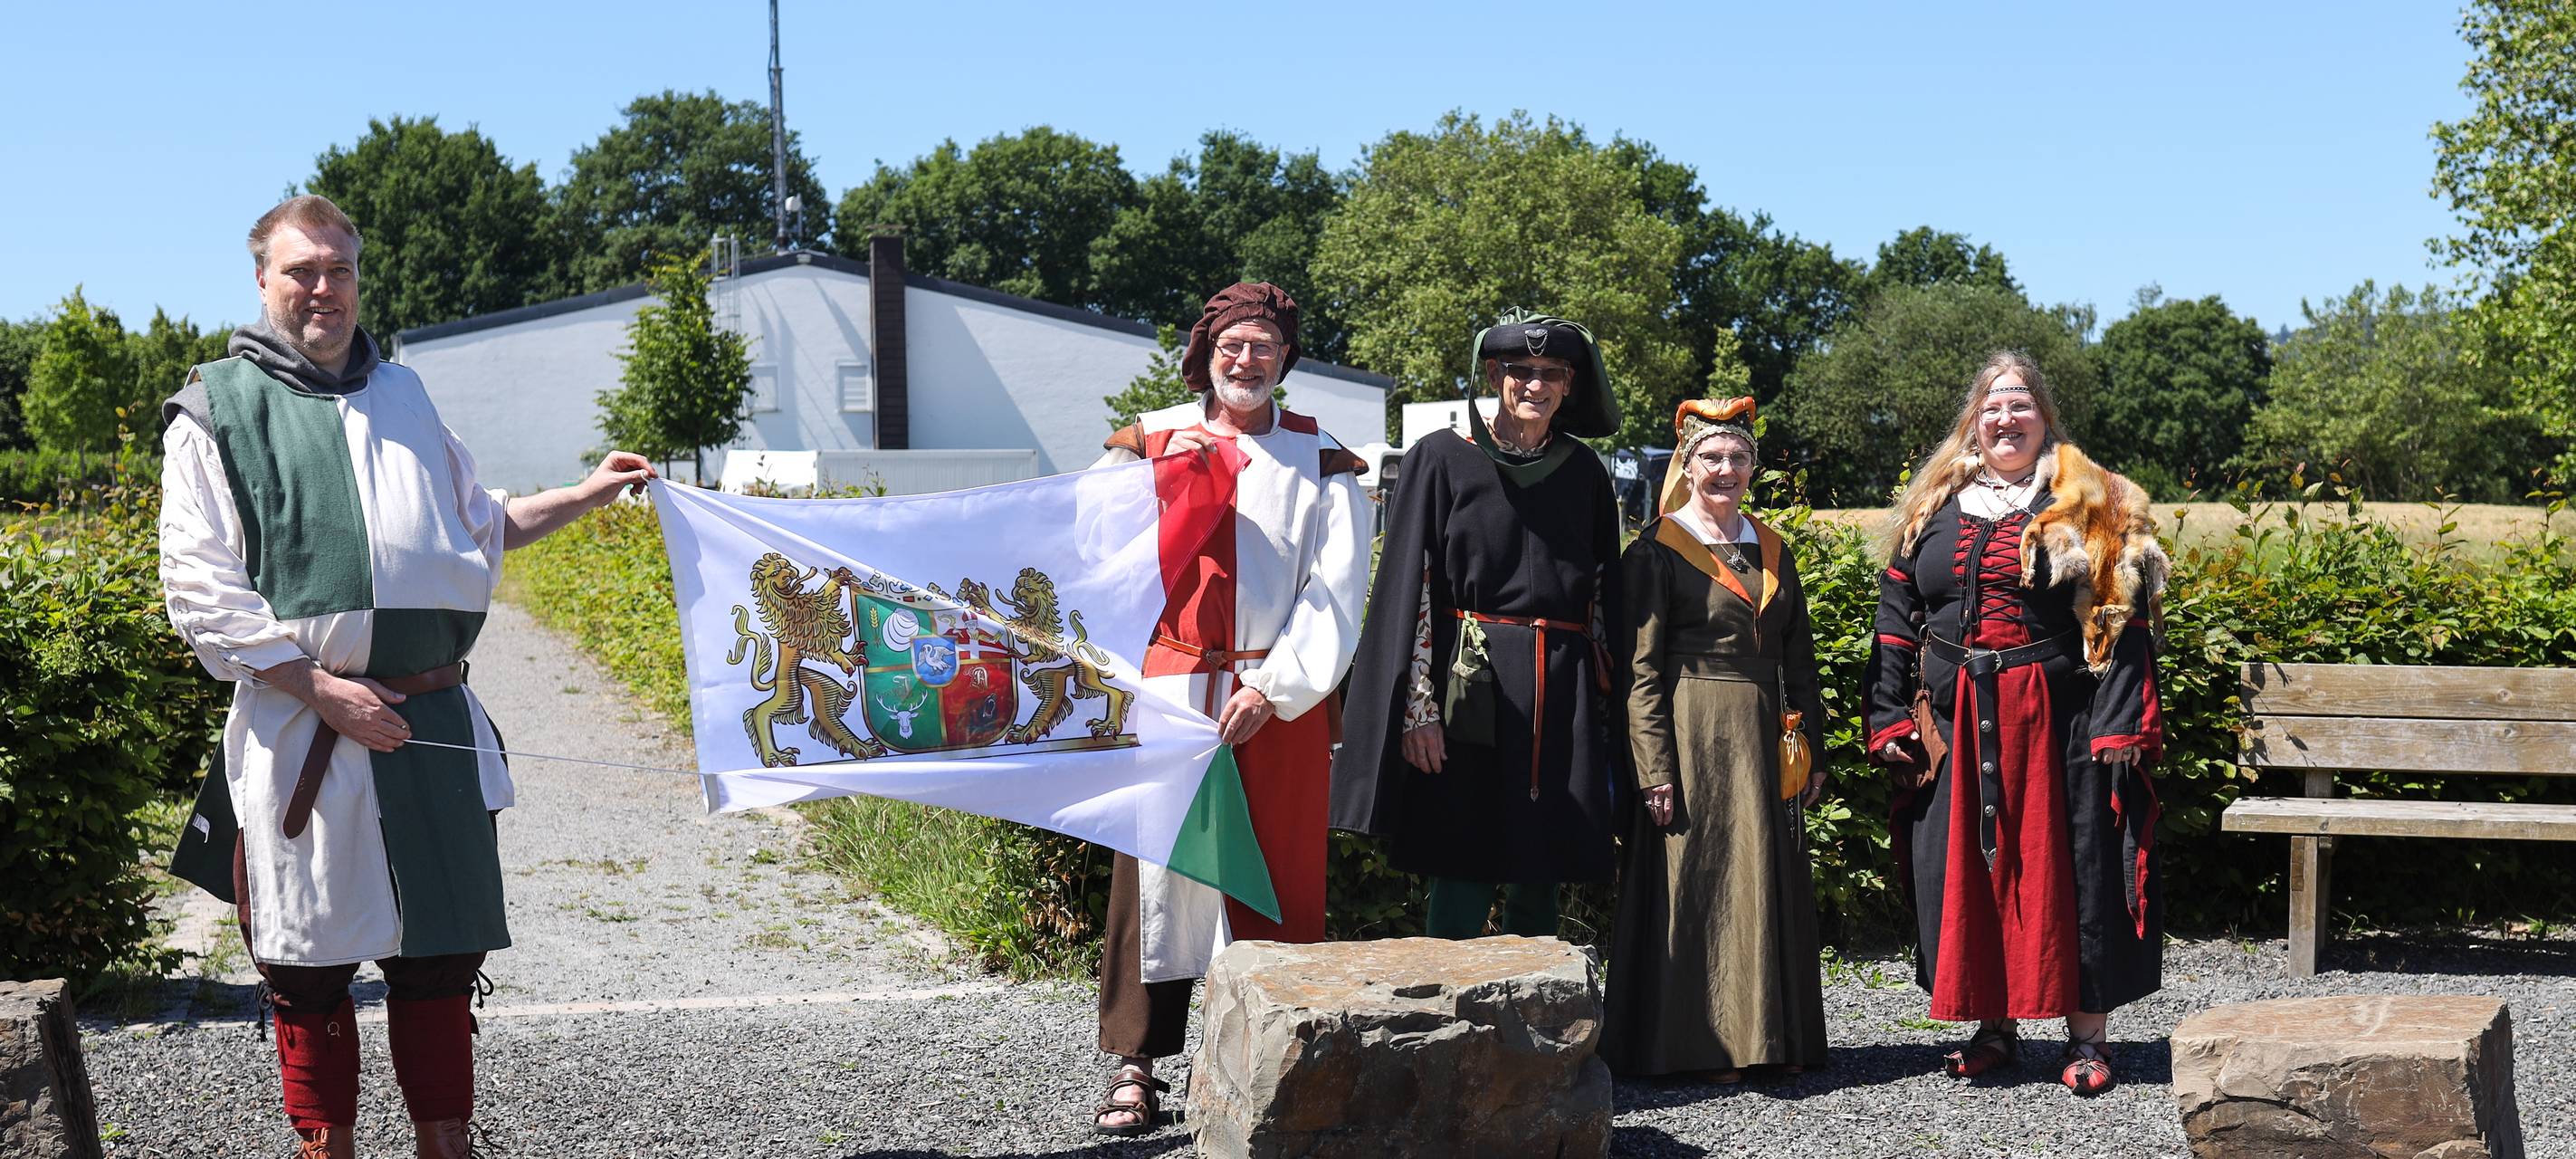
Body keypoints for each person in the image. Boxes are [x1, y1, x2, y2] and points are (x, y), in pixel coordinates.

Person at [158, 195, 655, 1158]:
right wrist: (316, 685)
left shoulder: (406, 395)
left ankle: (445, 1145)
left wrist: (586, 493)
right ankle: (326, 1147)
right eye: (301, 268)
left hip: (429, 718)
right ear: (262, 278)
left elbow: (480, 521)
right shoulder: (216, 407)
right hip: (306, 726)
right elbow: (198, 583)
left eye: (338, 268)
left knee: (438, 951)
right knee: (308, 961)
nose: (322, 287)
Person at [1086, 282, 1370, 1136]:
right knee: (1159, 875)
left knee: (1275, 871)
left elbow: (1337, 592)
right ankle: (1137, 1063)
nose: (1247, 360)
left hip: (1279, 700)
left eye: (1264, 346)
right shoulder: (1151, 442)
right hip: (1173, 688)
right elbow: (1091, 551)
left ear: (1286, 358)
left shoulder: (1324, 460)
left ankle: (1275, 1059)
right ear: (1206, 352)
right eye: (1232, 346)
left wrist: (1274, 688)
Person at [1865, 350, 2167, 1097]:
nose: (2006, 419)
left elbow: (2124, 617)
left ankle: (2088, 1039)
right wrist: (1887, 713)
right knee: (1967, 866)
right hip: (1956, 720)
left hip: (2055, 720)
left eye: (2020, 406)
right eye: (1993, 407)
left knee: (2072, 868)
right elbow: (1899, 613)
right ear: (1974, 418)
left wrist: (2119, 723)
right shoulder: (1936, 503)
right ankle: (1992, 1026)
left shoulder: (2089, 500)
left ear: (2044, 419)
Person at [1331, 310, 1625, 940]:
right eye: (1521, 371)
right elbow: (1411, 588)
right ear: (1494, 375)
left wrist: (1606, 709)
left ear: (1570, 383)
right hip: (1468, 683)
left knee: (1542, 862)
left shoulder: (1583, 472)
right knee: (1461, 858)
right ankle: (1445, 1015)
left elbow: (1604, 598)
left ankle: (1542, 1023)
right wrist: (1419, 710)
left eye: (1551, 373)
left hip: (1560, 688)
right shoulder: (1440, 458)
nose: (1535, 385)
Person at [1601, 398, 1829, 1082]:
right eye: (1711, 456)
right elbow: (1639, 671)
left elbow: (1800, 656)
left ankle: (1770, 1039)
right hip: (1691, 729)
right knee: (1696, 881)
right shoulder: (1655, 549)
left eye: (1737, 457)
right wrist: (1654, 769)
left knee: (1766, 877)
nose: (1724, 468)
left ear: (1752, 467)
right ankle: (1695, 1049)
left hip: (1764, 734)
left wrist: (1811, 745)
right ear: (1687, 463)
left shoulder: (1772, 546)